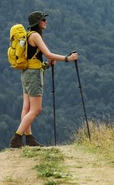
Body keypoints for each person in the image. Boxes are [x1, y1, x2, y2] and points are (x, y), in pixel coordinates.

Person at [9, 11, 78, 148]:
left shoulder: (27, 35)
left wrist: (46, 65)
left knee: (26, 107)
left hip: (25, 73)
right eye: (43, 20)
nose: (45, 22)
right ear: (38, 23)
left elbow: (32, 59)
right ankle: (16, 138)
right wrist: (67, 58)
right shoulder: (35, 36)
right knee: (36, 109)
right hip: (33, 75)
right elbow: (47, 54)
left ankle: (29, 138)